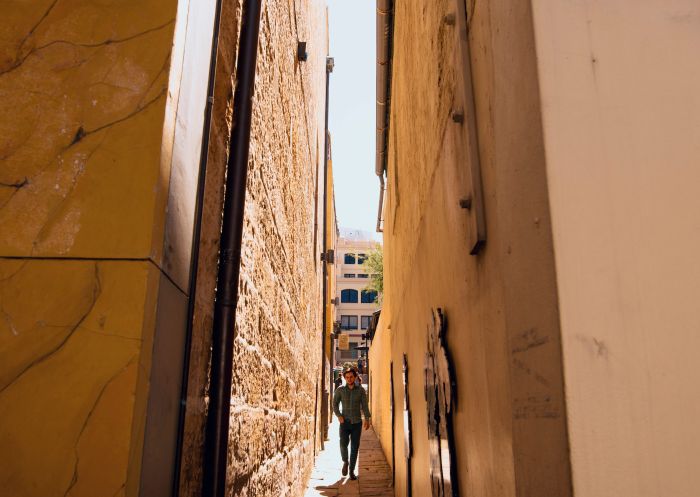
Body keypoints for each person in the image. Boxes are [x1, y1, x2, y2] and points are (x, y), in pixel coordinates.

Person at [332, 367, 371, 480]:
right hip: (344, 423)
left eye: (351, 377)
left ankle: (352, 471)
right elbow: (334, 404)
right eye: (347, 377)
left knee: (354, 447)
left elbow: (364, 406)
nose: (349, 379)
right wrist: (339, 416)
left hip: (357, 423)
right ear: (344, 378)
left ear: (355, 377)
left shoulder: (360, 391)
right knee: (343, 445)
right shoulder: (340, 390)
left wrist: (367, 419)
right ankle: (345, 461)